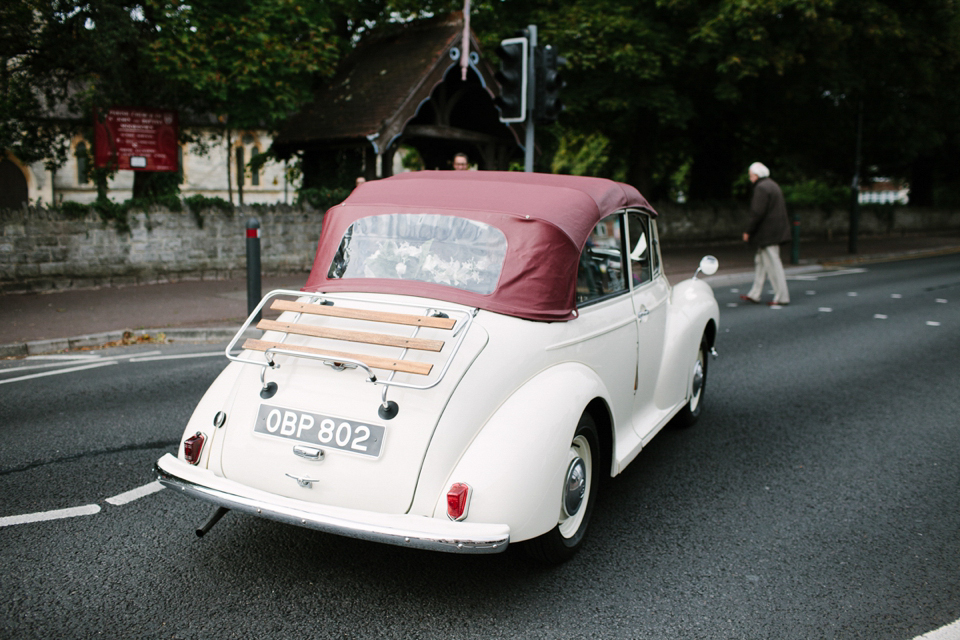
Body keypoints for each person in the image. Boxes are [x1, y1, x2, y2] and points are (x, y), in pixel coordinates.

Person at [741, 162, 791, 306]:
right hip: (774, 231)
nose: (750, 179)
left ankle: (782, 297)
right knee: (761, 262)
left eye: (751, 176)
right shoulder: (772, 185)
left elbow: (757, 213)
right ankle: (755, 294)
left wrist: (748, 231)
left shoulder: (761, 188)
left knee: (773, 265)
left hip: (768, 234)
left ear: (756, 175)